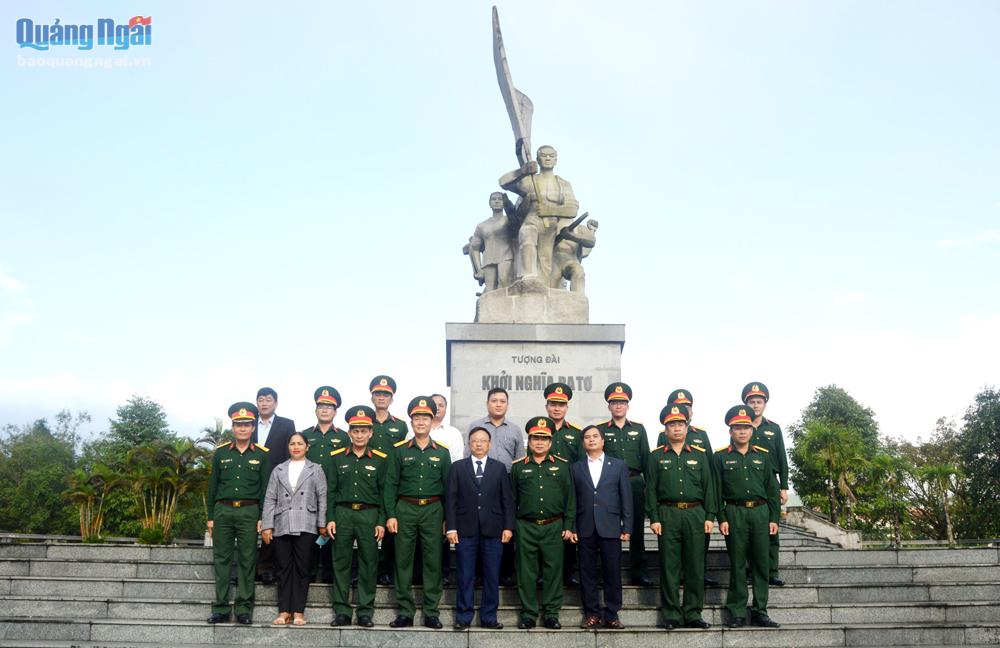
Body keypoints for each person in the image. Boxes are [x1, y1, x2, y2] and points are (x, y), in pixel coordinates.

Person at [384, 396, 452, 629]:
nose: (421, 422)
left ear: (432, 421)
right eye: (417, 418)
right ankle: (405, 611)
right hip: (405, 509)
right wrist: (391, 515)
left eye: (425, 418)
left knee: (433, 561)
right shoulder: (400, 451)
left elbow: (448, 490)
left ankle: (432, 612)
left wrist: (446, 519)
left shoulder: (442, 453)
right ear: (411, 421)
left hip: (433, 510)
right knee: (403, 561)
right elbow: (391, 484)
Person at [646, 404, 716, 630]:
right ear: (665, 430)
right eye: (671, 425)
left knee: (696, 565)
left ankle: (694, 613)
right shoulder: (656, 457)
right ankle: (671, 614)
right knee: (669, 566)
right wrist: (654, 518)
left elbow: (709, 487)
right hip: (668, 514)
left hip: (696, 513)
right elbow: (651, 490)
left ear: (687, 427)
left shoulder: (700, 455)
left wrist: (710, 516)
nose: (676, 428)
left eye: (680, 424)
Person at [714, 405, 781, 628]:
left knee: (761, 564)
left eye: (746, 427)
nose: (742, 432)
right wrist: (722, 518)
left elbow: (772, 489)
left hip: (761, 513)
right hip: (735, 513)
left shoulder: (763, 456)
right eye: (737, 428)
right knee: (738, 564)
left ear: (752, 430)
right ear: (730, 431)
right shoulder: (721, 457)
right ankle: (738, 611)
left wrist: (774, 518)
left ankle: (760, 610)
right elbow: (716, 491)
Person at [206, 402, 271, 625]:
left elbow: (265, 489)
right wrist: (210, 517)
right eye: (238, 425)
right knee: (222, 560)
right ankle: (221, 608)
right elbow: (212, 487)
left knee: (247, 561)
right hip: (223, 511)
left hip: (249, 512)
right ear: (232, 427)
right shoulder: (221, 453)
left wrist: (263, 517)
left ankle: (244, 608)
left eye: (246, 425)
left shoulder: (262, 455)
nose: (242, 429)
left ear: (253, 428)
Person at [445, 426, 514, 630]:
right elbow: (451, 500)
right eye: (475, 440)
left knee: (491, 575)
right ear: (469, 444)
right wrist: (451, 528)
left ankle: (489, 617)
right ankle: (463, 617)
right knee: (465, 574)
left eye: (483, 440)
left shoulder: (499, 468)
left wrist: (508, 527)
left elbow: (507, 500)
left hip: (493, 530)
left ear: (489, 444)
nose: (479, 444)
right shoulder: (458, 467)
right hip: (465, 530)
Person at [510, 417, 575, 630]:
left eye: (544, 439)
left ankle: (551, 613)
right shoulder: (518, 468)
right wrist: (512, 527)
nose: (539, 442)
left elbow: (570, 499)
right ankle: (528, 614)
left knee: (553, 570)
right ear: (529, 441)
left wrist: (569, 525)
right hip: (526, 526)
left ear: (550, 442)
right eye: (535, 438)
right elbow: (511, 499)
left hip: (554, 526)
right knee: (526, 572)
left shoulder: (563, 467)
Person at [327, 406, 388, 628]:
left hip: (369, 515)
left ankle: (365, 611)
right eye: (355, 430)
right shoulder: (336, 458)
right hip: (342, 514)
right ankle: (342, 611)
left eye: (364, 431)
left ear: (371, 432)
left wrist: (381, 520)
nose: (359, 435)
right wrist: (330, 517)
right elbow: (331, 491)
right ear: (349, 432)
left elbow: (384, 492)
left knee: (368, 564)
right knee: (341, 563)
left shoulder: (381, 459)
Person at [260, 432, 328, 626]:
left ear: (307, 447)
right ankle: (283, 611)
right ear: (288, 447)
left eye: (300, 443)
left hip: (307, 523)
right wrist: (267, 525)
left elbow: (322, 497)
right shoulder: (278, 469)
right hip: (282, 523)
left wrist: (322, 523)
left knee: (302, 568)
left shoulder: (316, 469)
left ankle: (298, 612)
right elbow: (270, 499)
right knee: (283, 568)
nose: (296, 447)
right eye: (292, 444)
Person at [569, 425, 632, 629]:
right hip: (585, 525)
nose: (591, 440)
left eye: (595, 436)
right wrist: (572, 526)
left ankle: (612, 613)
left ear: (603, 441)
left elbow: (626, 498)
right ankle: (592, 614)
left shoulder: (619, 465)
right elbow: (571, 500)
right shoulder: (576, 467)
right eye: (587, 437)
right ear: (583, 442)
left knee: (612, 571)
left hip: (611, 525)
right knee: (587, 572)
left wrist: (627, 526)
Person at [655, 389, 718, 588]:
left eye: (687, 407)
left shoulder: (701, 435)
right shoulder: (661, 440)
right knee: (670, 560)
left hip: (695, 507)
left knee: (697, 554)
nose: (677, 428)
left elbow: (708, 477)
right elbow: (656, 478)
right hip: (670, 509)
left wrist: (710, 513)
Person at [466, 387, 523, 585]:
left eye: (502, 401)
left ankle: (506, 572)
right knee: (481, 525)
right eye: (494, 400)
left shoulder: (515, 429)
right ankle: (479, 573)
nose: (498, 404)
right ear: (487, 403)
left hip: (505, 481)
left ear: (507, 404)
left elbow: (519, 460)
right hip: (481, 482)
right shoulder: (476, 426)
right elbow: (468, 458)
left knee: (505, 526)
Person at [499, 145, 580, 280]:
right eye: (543, 155)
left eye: (551, 156)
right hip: (532, 218)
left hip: (551, 224)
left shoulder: (563, 184)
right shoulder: (530, 180)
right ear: (537, 159)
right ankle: (528, 276)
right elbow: (503, 182)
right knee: (526, 234)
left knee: (545, 259)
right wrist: (522, 171)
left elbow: (572, 210)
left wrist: (550, 210)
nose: (547, 158)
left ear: (556, 160)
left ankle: (540, 286)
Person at [600, 382, 652, 586]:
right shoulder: (602, 430)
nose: (618, 406)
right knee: (609, 528)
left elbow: (647, 459)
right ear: (609, 406)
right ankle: (608, 572)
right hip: (610, 485)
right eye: (614, 402)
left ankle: (639, 572)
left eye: (622, 402)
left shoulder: (638, 429)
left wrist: (649, 485)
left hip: (634, 482)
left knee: (637, 528)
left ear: (628, 405)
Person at [742, 381, 789, 587]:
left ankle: (771, 571)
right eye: (751, 401)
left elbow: (782, 457)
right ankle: (749, 569)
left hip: (770, 484)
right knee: (748, 531)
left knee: (772, 528)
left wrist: (784, 486)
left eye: (759, 401)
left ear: (765, 404)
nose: (755, 405)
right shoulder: (740, 428)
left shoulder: (774, 429)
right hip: (749, 482)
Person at [301, 386, 348, 583]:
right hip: (308, 492)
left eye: (329, 406)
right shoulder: (304, 435)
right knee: (308, 533)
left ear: (335, 411)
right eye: (321, 405)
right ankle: (309, 571)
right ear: (316, 410)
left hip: (332, 491)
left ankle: (328, 573)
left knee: (331, 531)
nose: (325, 409)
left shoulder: (344, 436)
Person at [252, 387, 296, 585]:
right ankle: (248, 568)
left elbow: (291, 454)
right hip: (251, 483)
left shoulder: (286, 425)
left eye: (268, 400)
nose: (264, 403)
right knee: (250, 526)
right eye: (260, 400)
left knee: (272, 524)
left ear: (275, 403)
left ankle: (267, 568)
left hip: (276, 481)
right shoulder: (247, 424)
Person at [368, 374, 408, 585]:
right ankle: (370, 569)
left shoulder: (400, 426)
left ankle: (386, 570)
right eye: (377, 394)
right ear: (372, 397)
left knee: (391, 527)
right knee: (370, 527)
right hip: (368, 481)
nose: (381, 397)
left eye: (386, 394)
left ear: (392, 398)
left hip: (392, 482)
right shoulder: (365, 422)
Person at [544, 382, 583, 587]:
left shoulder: (576, 433)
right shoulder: (539, 431)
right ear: (547, 406)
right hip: (546, 489)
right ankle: (544, 573)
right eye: (553, 404)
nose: (556, 408)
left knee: (570, 532)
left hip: (569, 490)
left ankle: (570, 572)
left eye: (561, 404)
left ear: (567, 407)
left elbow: (581, 463)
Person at [467, 192, 516, 291]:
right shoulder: (482, 226)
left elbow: (517, 227)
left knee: (504, 283)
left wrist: (510, 208)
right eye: (494, 199)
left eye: (500, 199)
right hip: (488, 260)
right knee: (489, 289)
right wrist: (478, 269)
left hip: (506, 256)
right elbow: (474, 248)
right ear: (490, 203)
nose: (497, 201)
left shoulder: (509, 220)